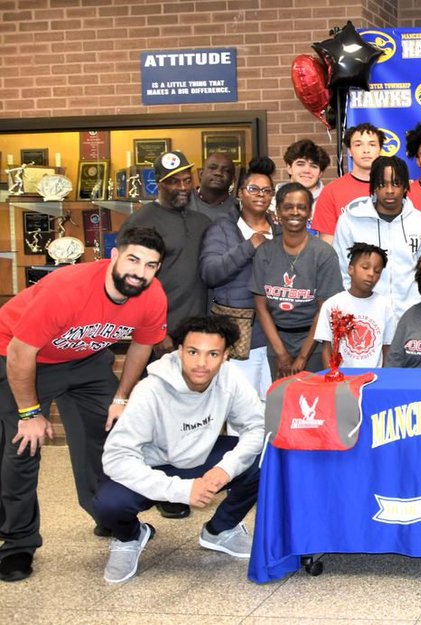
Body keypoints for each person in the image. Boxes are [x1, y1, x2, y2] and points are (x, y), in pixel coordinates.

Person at [0, 227, 167, 582]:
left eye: (151, 265)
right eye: (133, 260)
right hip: (20, 355)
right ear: (114, 256)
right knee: (22, 449)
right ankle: (18, 543)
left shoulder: (151, 296)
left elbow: (142, 345)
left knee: (108, 435)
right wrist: (30, 414)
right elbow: (20, 351)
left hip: (85, 359)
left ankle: (107, 515)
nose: (139, 272)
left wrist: (122, 397)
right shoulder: (68, 289)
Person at [94, 316, 264, 584]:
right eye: (193, 352)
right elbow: (116, 457)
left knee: (264, 461)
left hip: (201, 459)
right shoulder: (150, 389)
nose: (201, 363)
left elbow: (256, 428)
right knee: (107, 504)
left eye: (213, 354)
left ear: (225, 356)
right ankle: (130, 536)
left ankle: (220, 531)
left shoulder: (230, 378)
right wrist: (182, 491)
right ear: (180, 351)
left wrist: (225, 469)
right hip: (153, 465)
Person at [200, 156, 281, 399]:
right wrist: (249, 245)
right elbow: (210, 273)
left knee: (274, 408)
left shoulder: (279, 230)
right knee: (241, 411)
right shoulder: (223, 228)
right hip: (239, 336)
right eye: (253, 189)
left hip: (275, 337)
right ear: (240, 193)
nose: (260, 195)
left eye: (267, 191)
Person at [118, 151, 212, 357]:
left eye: (187, 180)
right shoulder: (141, 222)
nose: (183, 187)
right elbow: (130, 284)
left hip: (199, 332)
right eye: (174, 182)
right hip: (162, 335)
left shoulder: (201, 222)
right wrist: (155, 332)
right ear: (159, 183)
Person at [252, 183, 343, 380]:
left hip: (314, 342)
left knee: (314, 403)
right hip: (278, 341)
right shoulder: (265, 252)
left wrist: (303, 357)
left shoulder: (324, 254)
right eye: (288, 207)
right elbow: (261, 307)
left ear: (309, 212)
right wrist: (282, 354)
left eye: (301, 207)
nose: (295, 212)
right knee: (282, 401)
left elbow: (325, 309)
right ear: (278, 212)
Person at [333, 156, 421, 317]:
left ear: (406, 186)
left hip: (411, 316)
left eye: (396, 184)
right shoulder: (350, 221)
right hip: (364, 315)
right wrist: (353, 308)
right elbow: (343, 269)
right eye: (382, 184)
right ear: (373, 187)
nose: (389, 191)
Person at [314, 243, 395, 368]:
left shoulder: (384, 306)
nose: (371, 274)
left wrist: (384, 378)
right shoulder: (332, 305)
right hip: (342, 379)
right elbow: (326, 348)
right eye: (365, 267)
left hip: (373, 378)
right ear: (350, 269)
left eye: (377, 271)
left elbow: (387, 347)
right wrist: (331, 379)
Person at [313, 122, 383, 242]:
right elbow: (327, 243)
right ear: (350, 151)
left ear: (380, 150)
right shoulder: (331, 191)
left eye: (372, 144)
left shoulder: (395, 189)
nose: (366, 150)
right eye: (358, 145)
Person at [280, 139, 331, 219]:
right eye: (300, 164)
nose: (307, 170)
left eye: (313, 166)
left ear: (320, 173)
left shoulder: (330, 201)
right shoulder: (272, 202)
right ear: (289, 168)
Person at [188, 151, 238, 222]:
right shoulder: (184, 201)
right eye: (213, 168)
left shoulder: (239, 210)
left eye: (226, 171)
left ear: (233, 180)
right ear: (201, 174)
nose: (218, 173)